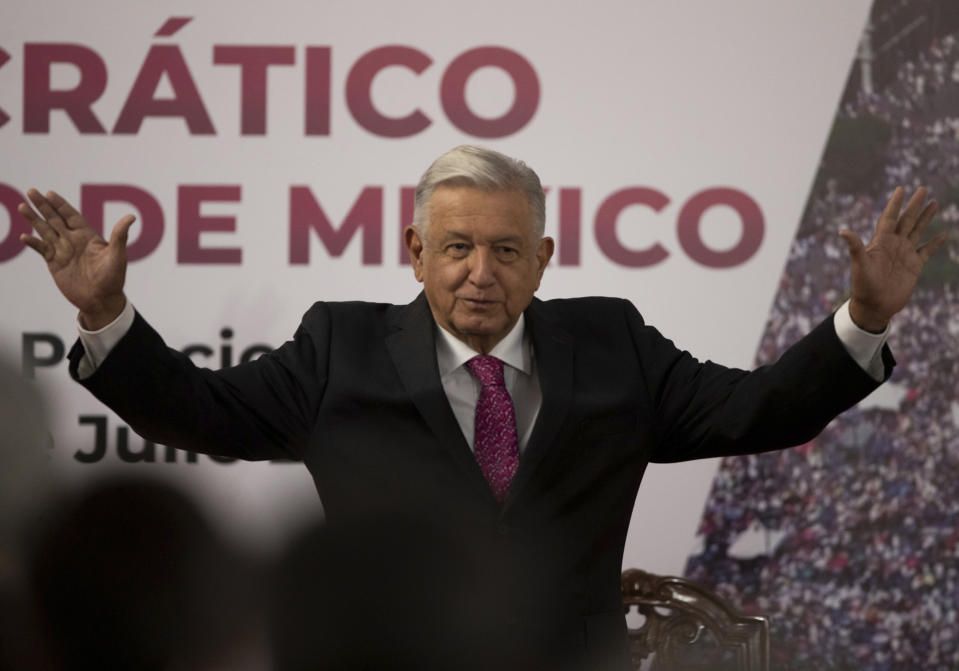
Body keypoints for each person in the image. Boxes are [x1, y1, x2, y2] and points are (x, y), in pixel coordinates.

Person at [17, 145, 947, 669]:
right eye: (456, 246)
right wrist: (105, 311)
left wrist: (863, 316)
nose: (479, 271)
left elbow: (756, 411)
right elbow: (202, 413)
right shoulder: (339, 347)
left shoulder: (611, 341)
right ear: (415, 250)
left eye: (507, 250)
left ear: (542, 261)